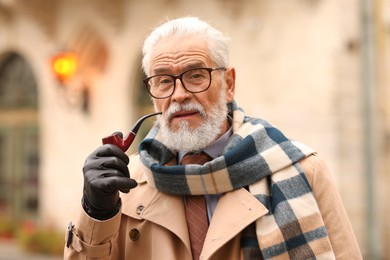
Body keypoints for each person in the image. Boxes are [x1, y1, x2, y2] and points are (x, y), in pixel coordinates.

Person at [64, 17, 362, 259]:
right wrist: (96, 212)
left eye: (196, 75)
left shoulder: (302, 169)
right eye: (164, 80)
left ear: (228, 83)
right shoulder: (127, 184)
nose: (179, 94)